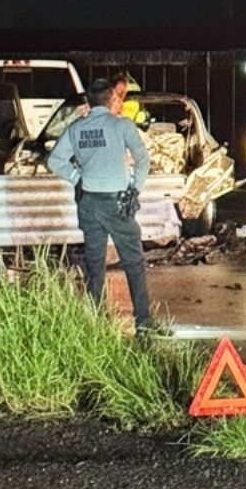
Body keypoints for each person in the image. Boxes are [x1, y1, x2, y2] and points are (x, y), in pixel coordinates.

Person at [47, 78, 153, 331]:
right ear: (112, 100)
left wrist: (77, 178)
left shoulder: (76, 128)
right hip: (117, 202)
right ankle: (144, 324)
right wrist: (134, 188)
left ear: (88, 102)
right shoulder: (123, 125)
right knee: (134, 264)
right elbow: (143, 159)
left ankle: (95, 322)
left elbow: (55, 161)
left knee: (95, 263)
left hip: (89, 202)